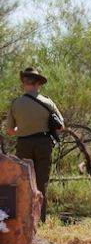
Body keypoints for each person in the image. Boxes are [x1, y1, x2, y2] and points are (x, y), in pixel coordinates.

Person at [5, 67, 64, 222]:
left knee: (22, 181)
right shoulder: (48, 102)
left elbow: (10, 130)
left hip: (23, 144)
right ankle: (40, 220)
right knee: (41, 182)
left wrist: (22, 129)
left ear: (24, 83)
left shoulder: (16, 103)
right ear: (38, 83)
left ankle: (22, 219)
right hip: (44, 144)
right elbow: (61, 127)